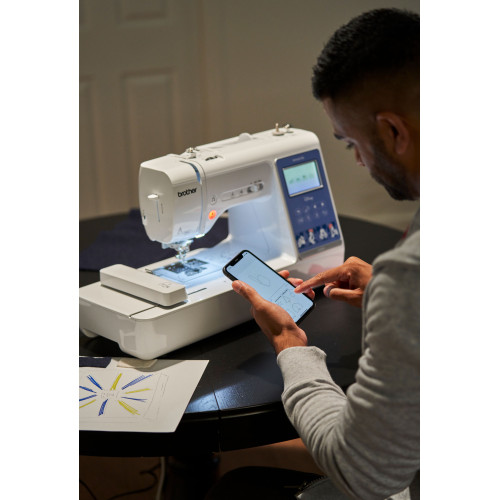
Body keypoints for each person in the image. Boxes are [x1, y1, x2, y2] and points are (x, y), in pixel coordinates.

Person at [206, 8, 419, 500]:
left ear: (393, 131)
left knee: (236, 491)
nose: (359, 160)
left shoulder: (411, 273)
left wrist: (290, 344)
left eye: (350, 144)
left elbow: (363, 472)